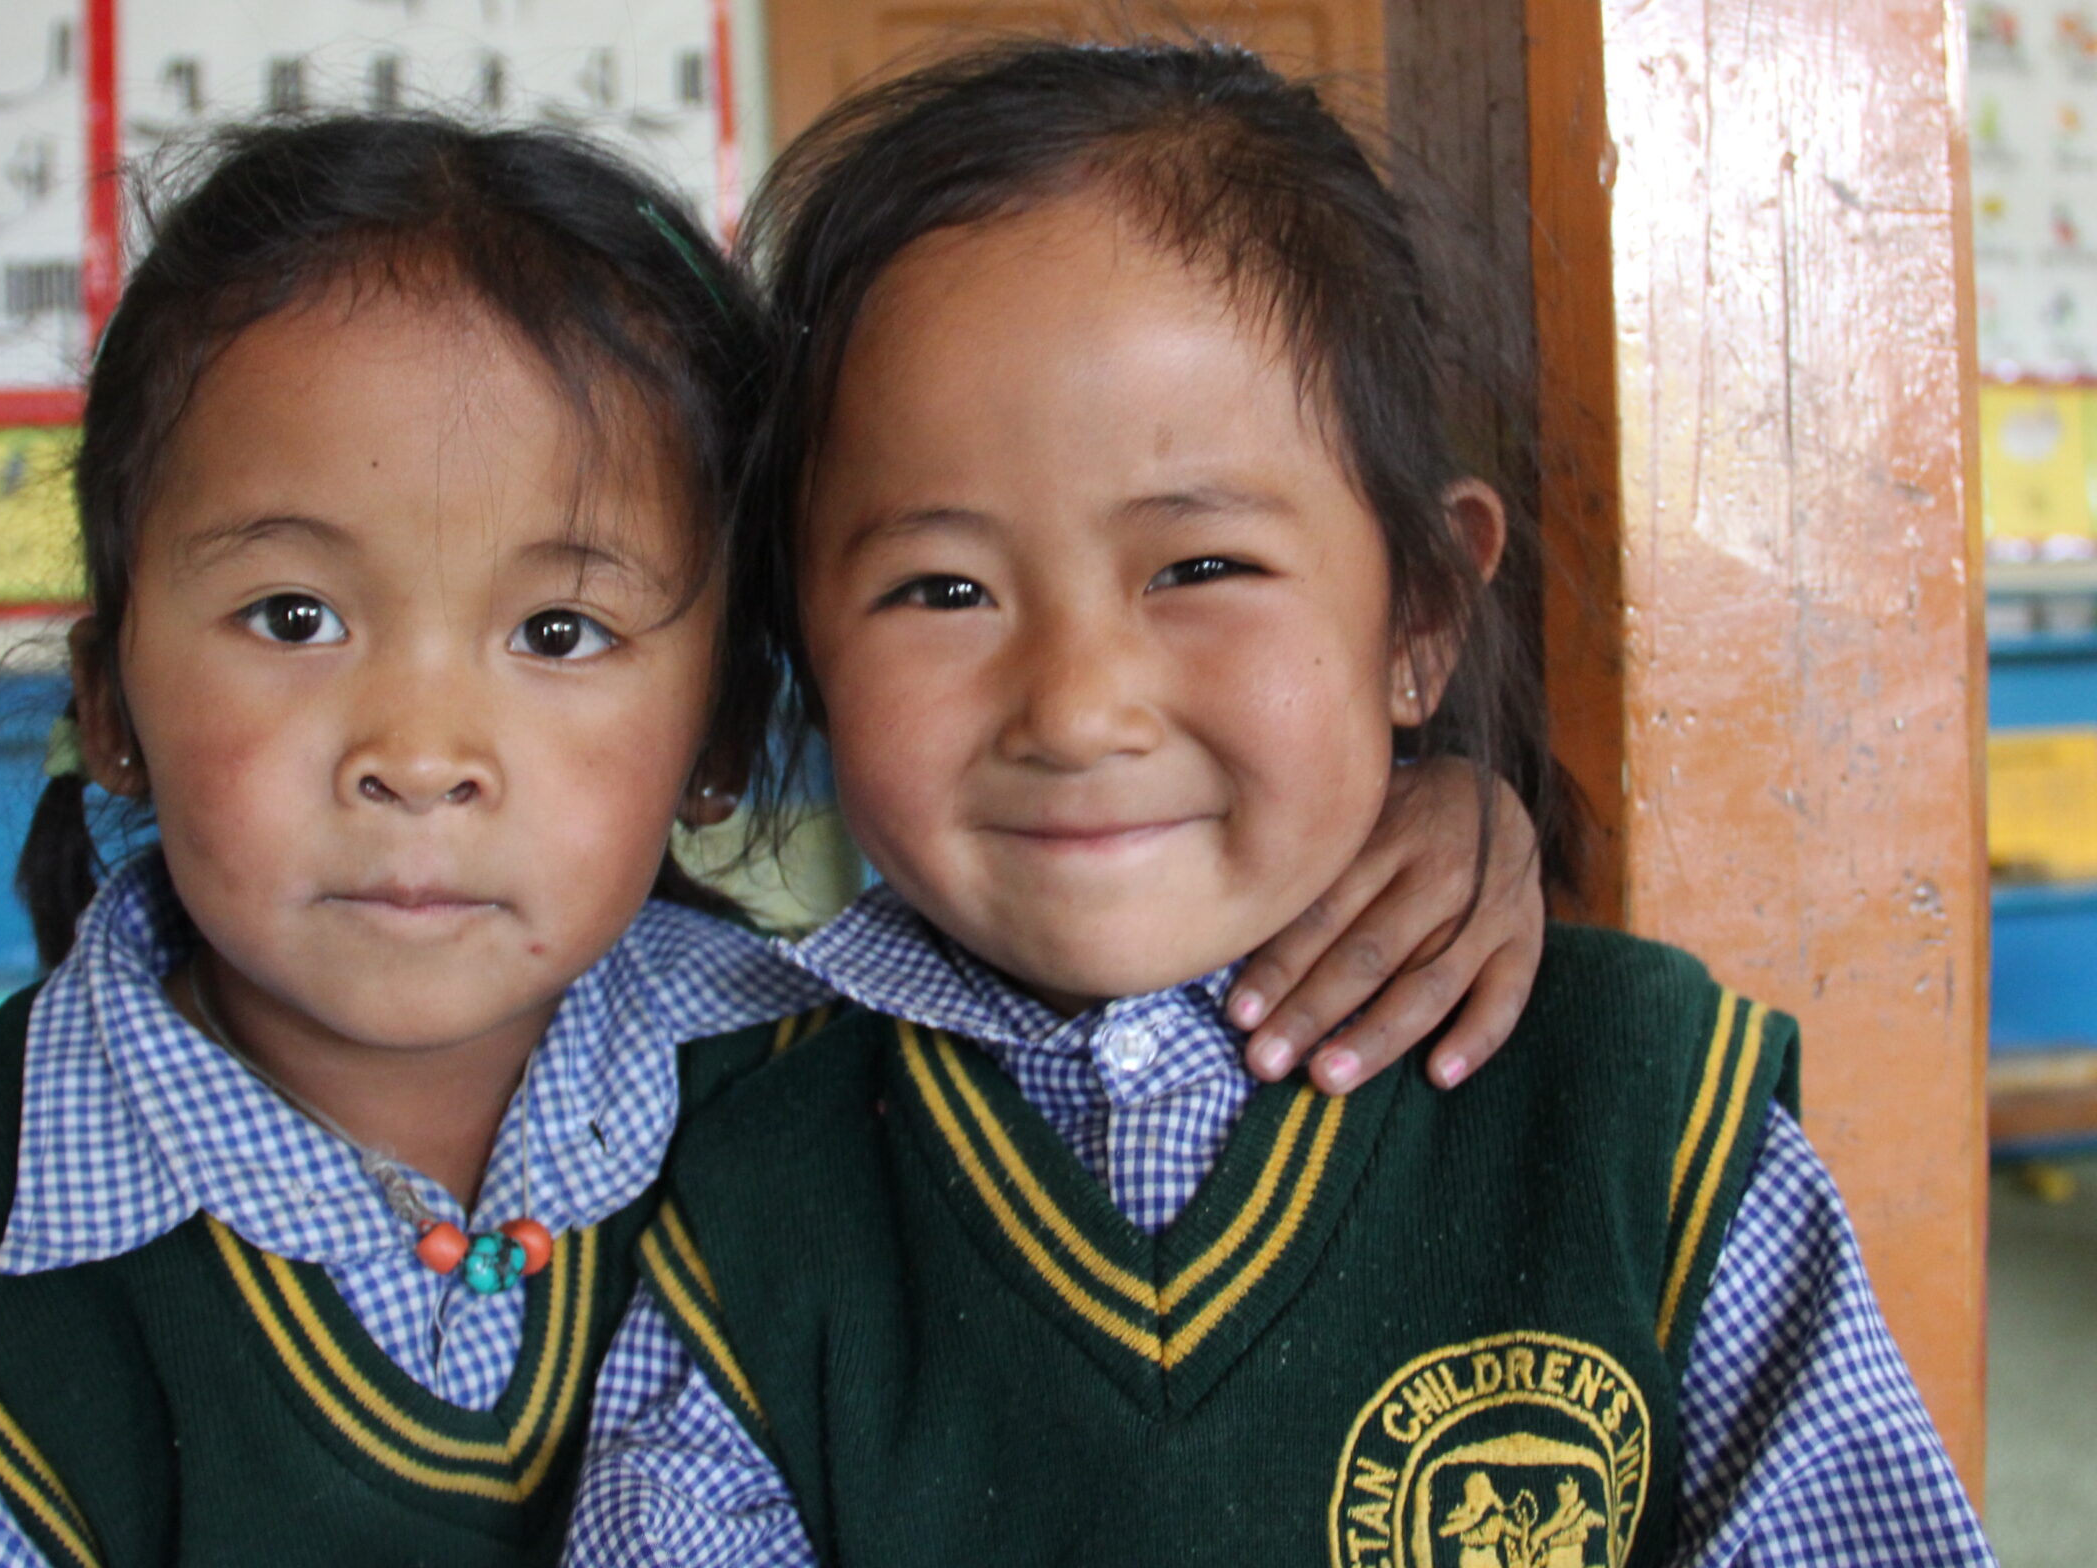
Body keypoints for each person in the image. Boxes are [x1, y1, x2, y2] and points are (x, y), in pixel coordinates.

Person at [0, 112, 1547, 1567]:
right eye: (294, 617)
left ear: (719, 738)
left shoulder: (857, 1060)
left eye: (559, 632)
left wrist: (1443, 816)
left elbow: (1169, 978)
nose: (420, 757)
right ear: (111, 701)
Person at [565, 41, 1993, 1568]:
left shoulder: (1637, 1118)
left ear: (1419, 616)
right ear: (800, 644)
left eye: (1201, 568)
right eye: (943, 589)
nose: (1078, 708)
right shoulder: (754, 1177)